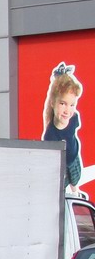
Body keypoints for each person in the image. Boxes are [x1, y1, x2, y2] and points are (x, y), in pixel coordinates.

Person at [42, 62, 84, 195]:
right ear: (53, 103)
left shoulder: (74, 118)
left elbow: (73, 133)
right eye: (63, 103)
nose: (68, 110)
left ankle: (75, 190)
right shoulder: (50, 135)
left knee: (76, 179)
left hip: (74, 156)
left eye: (72, 105)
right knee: (62, 185)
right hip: (63, 164)